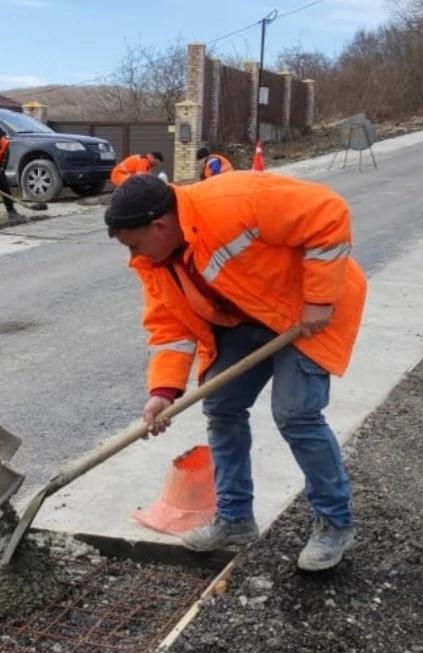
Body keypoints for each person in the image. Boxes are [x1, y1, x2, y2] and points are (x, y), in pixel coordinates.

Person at [105, 174, 366, 571]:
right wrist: (163, 390)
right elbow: (169, 328)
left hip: (306, 312)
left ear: (159, 225)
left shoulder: (233, 200)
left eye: (135, 244)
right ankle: (235, 518)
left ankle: (335, 523)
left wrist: (319, 298)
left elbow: (328, 214)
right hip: (246, 322)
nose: (134, 256)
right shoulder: (154, 261)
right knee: (222, 406)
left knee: (296, 415)